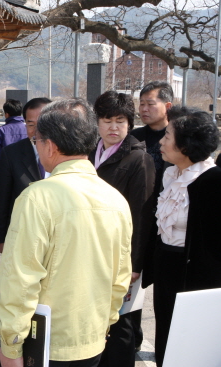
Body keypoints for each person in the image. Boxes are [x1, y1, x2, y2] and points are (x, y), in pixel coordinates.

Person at [0, 99, 132, 367]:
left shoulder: (37, 197)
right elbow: (120, 277)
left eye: (38, 141)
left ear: (51, 146)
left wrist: (10, 345)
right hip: (92, 338)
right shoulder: (116, 199)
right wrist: (105, 323)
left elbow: (20, 282)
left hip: (45, 343)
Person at [89, 91, 155, 367]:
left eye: (120, 121)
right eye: (107, 120)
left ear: (130, 123)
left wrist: (135, 264)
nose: (113, 127)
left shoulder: (139, 159)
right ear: (97, 122)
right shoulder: (90, 150)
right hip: (93, 250)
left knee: (122, 324)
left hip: (122, 257)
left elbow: (142, 215)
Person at [152, 106, 221, 366]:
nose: (161, 141)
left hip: (196, 279)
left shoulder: (212, 180)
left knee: (191, 346)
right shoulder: (171, 174)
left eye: (167, 136)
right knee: (166, 338)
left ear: (186, 145)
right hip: (167, 270)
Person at [131, 81, 173, 349]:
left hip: (167, 225)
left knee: (163, 294)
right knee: (130, 284)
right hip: (137, 220)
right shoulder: (135, 137)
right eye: (141, 103)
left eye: (150, 103)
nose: (144, 109)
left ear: (167, 105)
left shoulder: (180, 136)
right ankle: (132, 337)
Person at [0, 97, 51, 253]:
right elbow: (1, 198)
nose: (37, 130)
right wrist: (0, 237)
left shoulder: (66, 152)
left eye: (43, 123)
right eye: (31, 124)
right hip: (22, 235)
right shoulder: (11, 153)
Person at [0, 99, 26, 181]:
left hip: (5, 174)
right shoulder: (28, 130)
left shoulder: (0, 131)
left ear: (6, 114)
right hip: (26, 174)